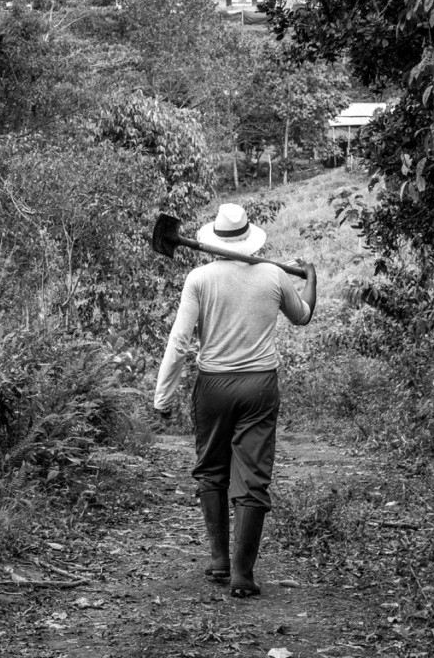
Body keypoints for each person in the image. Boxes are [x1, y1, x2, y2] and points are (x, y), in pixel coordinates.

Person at [153, 202, 317, 598]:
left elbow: (179, 343)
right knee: (253, 478)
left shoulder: (199, 279)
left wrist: (163, 396)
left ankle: (218, 561)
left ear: (214, 240)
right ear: (250, 237)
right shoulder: (275, 276)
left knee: (212, 470)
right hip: (259, 387)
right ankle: (242, 575)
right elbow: (304, 314)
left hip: (213, 387)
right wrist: (310, 276)